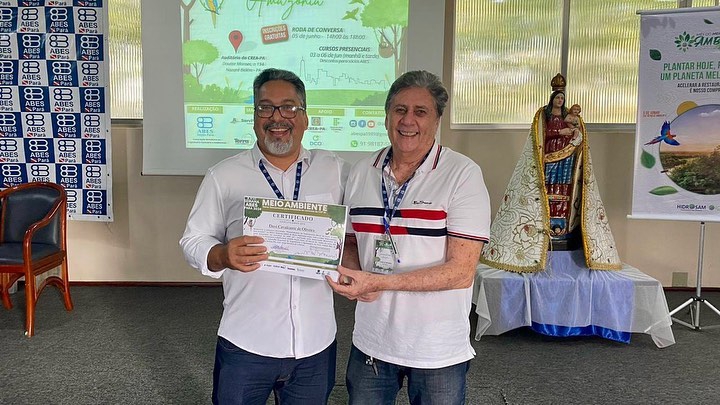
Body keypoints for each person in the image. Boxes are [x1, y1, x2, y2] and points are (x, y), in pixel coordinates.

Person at [180, 68, 349, 404]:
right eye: (265, 107)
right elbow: (193, 240)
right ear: (254, 116)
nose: (277, 117)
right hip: (247, 342)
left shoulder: (336, 170)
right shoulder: (224, 176)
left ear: (305, 118)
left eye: (289, 107)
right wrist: (223, 255)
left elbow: (356, 234)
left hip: (315, 344)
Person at [328, 70, 491, 404]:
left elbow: (461, 272)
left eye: (421, 112)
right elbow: (350, 241)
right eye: (400, 110)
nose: (408, 121)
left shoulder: (462, 174)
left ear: (437, 120)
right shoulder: (361, 172)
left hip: (437, 350)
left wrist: (379, 282)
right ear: (387, 115)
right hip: (372, 341)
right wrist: (353, 273)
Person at [480, 73, 621, 272]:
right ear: (552, 98)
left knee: (565, 188)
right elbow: (541, 135)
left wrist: (574, 136)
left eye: (562, 98)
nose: (560, 100)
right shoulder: (544, 115)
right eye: (558, 97)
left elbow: (578, 133)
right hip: (549, 155)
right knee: (547, 187)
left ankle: (563, 227)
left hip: (567, 157)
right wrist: (559, 133)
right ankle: (547, 228)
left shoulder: (570, 117)